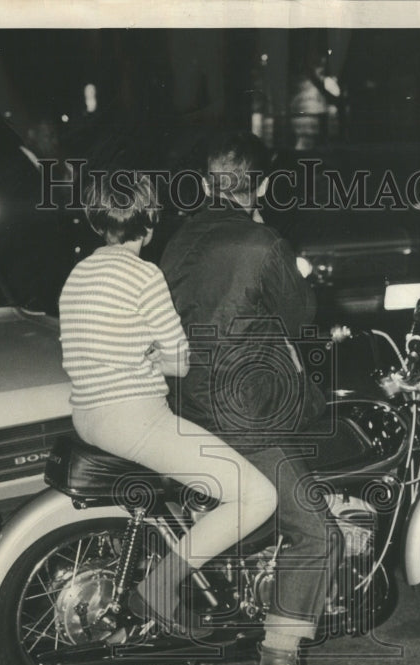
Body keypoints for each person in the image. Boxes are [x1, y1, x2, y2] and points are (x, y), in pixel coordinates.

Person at [159, 132, 359, 665]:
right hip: (244, 415)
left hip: (184, 407)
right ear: (262, 186)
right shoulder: (263, 240)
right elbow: (300, 316)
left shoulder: (180, 238)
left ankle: (212, 616)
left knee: (253, 510)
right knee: (318, 534)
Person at [58, 172, 278, 636]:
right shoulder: (144, 275)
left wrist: (140, 352)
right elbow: (179, 361)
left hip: (87, 416)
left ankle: (195, 607)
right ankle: (161, 586)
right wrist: (155, 354)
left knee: (196, 486)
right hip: (133, 418)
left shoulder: (77, 272)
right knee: (257, 495)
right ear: (151, 220)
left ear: (96, 220)